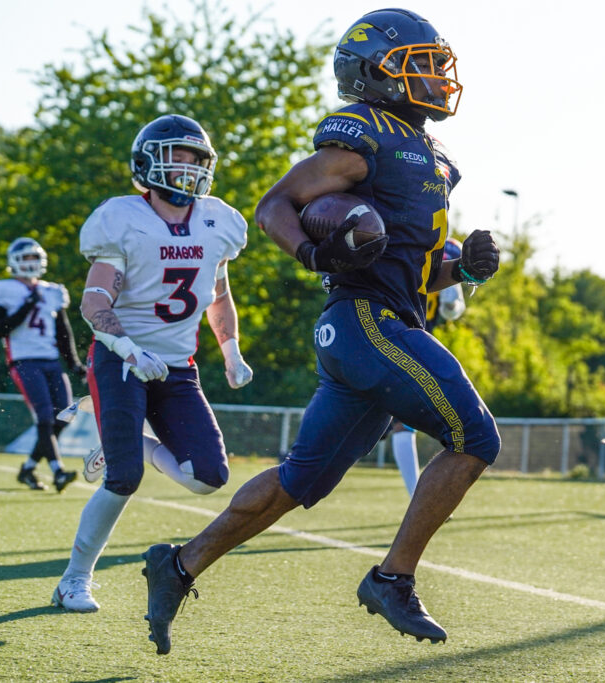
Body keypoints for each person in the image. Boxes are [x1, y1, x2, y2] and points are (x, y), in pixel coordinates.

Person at [142, 9, 501, 654]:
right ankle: (392, 578)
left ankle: (178, 566)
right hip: (367, 322)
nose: (436, 76)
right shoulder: (363, 133)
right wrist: (311, 255)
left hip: (376, 329)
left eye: (434, 63)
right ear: (374, 74)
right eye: (418, 63)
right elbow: (275, 206)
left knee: (296, 482)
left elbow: (409, 265)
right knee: (474, 436)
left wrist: (458, 267)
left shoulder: (435, 158)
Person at [51, 114, 252, 613]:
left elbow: (218, 294)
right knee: (123, 479)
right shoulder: (122, 218)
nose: (186, 169)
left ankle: (128, 443)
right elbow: (95, 301)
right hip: (121, 360)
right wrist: (128, 349)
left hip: (178, 366)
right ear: (148, 162)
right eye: (176, 157)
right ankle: (74, 580)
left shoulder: (218, 221)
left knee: (207, 477)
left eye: (194, 159)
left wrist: (231, 351)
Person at [0, 238, 84, 492]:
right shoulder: (2, 290)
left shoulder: (52, 291)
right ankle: (58, 471)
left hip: (50, 360)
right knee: (45, 417)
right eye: (25, 258)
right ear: (14, 262)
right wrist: (28, 303)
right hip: (24, 361)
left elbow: (63, 332)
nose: (30, 263)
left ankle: (28, 467)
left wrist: (75, 364)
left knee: (63, 417)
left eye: (34, 258)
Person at [391, 238, 467, 497]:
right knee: (385, 424)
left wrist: (451, 301)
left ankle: (417, 495)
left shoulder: (447, 251)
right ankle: (418, 496)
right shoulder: (411, 250)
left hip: (414, 345)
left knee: (399, 423)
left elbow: (452, 312)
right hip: (396, 338)